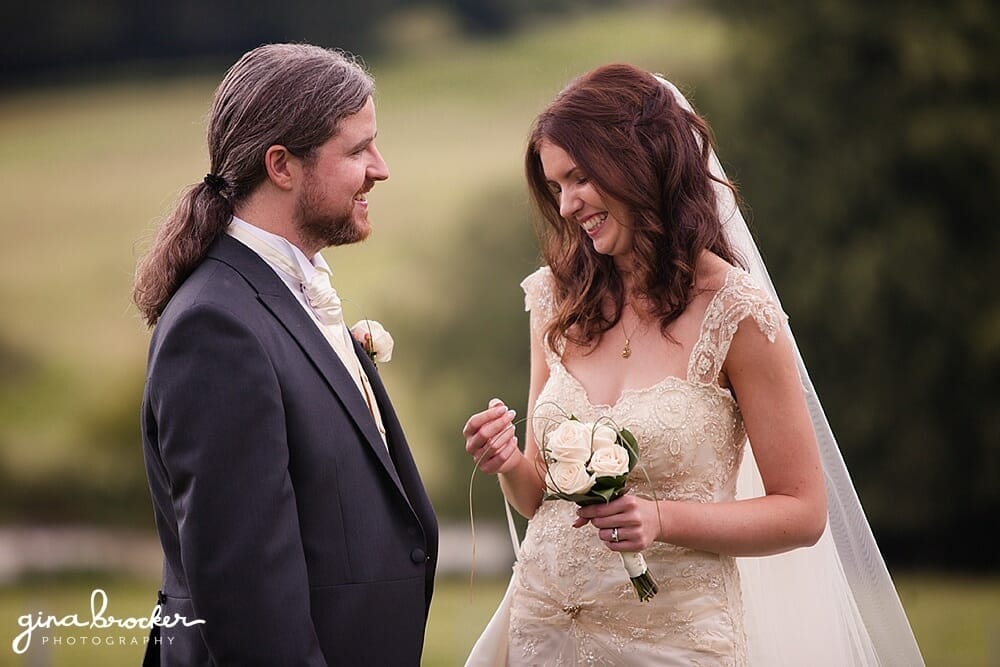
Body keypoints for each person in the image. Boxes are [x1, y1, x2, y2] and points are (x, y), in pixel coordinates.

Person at [463, 63, 923, 666]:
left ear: (641, 161)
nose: (568, 204)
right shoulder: (556, 298)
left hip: (672, 641)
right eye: (555, 187)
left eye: (580, 177)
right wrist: (508, 461)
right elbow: (539, 498)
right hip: (541, 630)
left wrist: (661, 518)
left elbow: (803, 512)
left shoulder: (738, 315)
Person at [132, 43, 437, 666]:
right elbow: (245, 593)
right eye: (356, 150)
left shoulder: (282, 296)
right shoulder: (216, 329)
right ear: (281, 165)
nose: (380, 168)